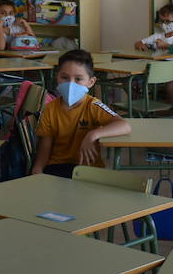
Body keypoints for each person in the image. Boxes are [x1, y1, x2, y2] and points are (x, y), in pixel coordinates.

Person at [31, 50, 131, 178]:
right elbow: (44, 148)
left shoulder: (93, 106)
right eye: (64, 77)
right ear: (57, 77)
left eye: (78, 79)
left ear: (91, 82)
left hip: (88, 168)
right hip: (57, 167)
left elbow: (124, 125)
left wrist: (92, 134)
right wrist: (37, 170)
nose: (71, 84)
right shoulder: (50, 109)